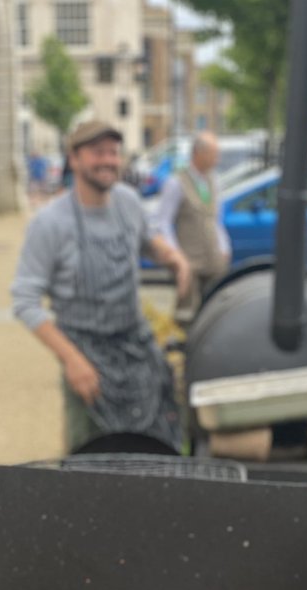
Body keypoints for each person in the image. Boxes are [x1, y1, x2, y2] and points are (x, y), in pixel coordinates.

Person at [11, 118, 191, 453]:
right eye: (97, 153)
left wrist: (173, 257)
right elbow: (24, 301)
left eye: (113, 152)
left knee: (156, 447)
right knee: (88, 461)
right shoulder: (50, 224)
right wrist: (72, 360)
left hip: (136, 346)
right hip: (86, 357)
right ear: (74, 159)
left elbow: (147, 237)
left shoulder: (129, 202)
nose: (108, 160)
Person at [154, 131, 231, 319]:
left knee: (214, 310)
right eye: (214, 154)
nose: (217, 160)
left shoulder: (213, 181)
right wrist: (176, 254)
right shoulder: (176, 182)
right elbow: (162, 222)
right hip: (189, 261)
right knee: (186, 313)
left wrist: (224, 246)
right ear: (198, 154)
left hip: (214, 260)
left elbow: (215, 219)